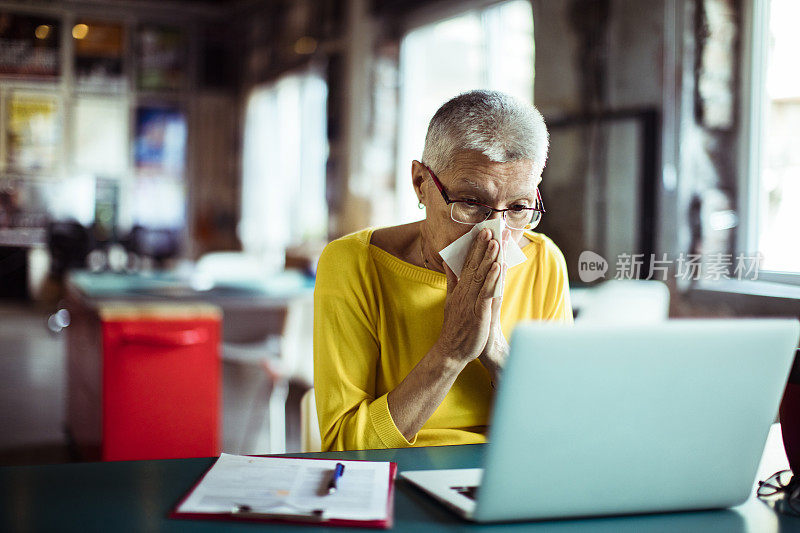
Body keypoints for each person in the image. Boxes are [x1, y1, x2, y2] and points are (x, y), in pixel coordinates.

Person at [313, 90, 572, 451]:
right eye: (470, 202)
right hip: (395, 474)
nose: (493, 233)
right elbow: (344, 446)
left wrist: (494, 348)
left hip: (506, 471)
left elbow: (560, 431)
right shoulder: (354, 263)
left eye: (518, 207)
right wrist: (451, 351)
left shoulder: (544, 262)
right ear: (421, 183)